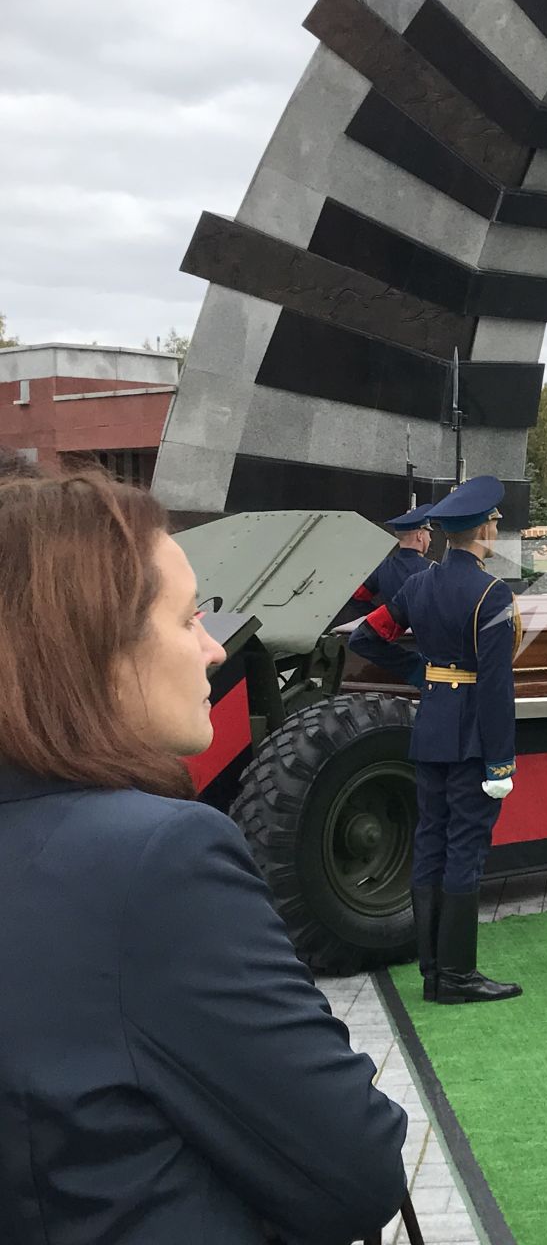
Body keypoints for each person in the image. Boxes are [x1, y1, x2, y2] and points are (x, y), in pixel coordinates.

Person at [0, 469, 407, 1242]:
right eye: (189, 619)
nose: (213, 649)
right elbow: (355, 1168)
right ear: (93, 646)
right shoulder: (155, 861)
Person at [350, 475, 524, 1002]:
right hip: (472, 735)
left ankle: (432, 971)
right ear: (482, 529)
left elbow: (366, 635)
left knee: (430, 842)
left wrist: (422, 672)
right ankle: (458, 977)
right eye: (494, 521)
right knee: (465, 849)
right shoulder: (491, 593)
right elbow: (496, 686)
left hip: (431, 726)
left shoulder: (417, 584)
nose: (496, 527)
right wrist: (500, 764)